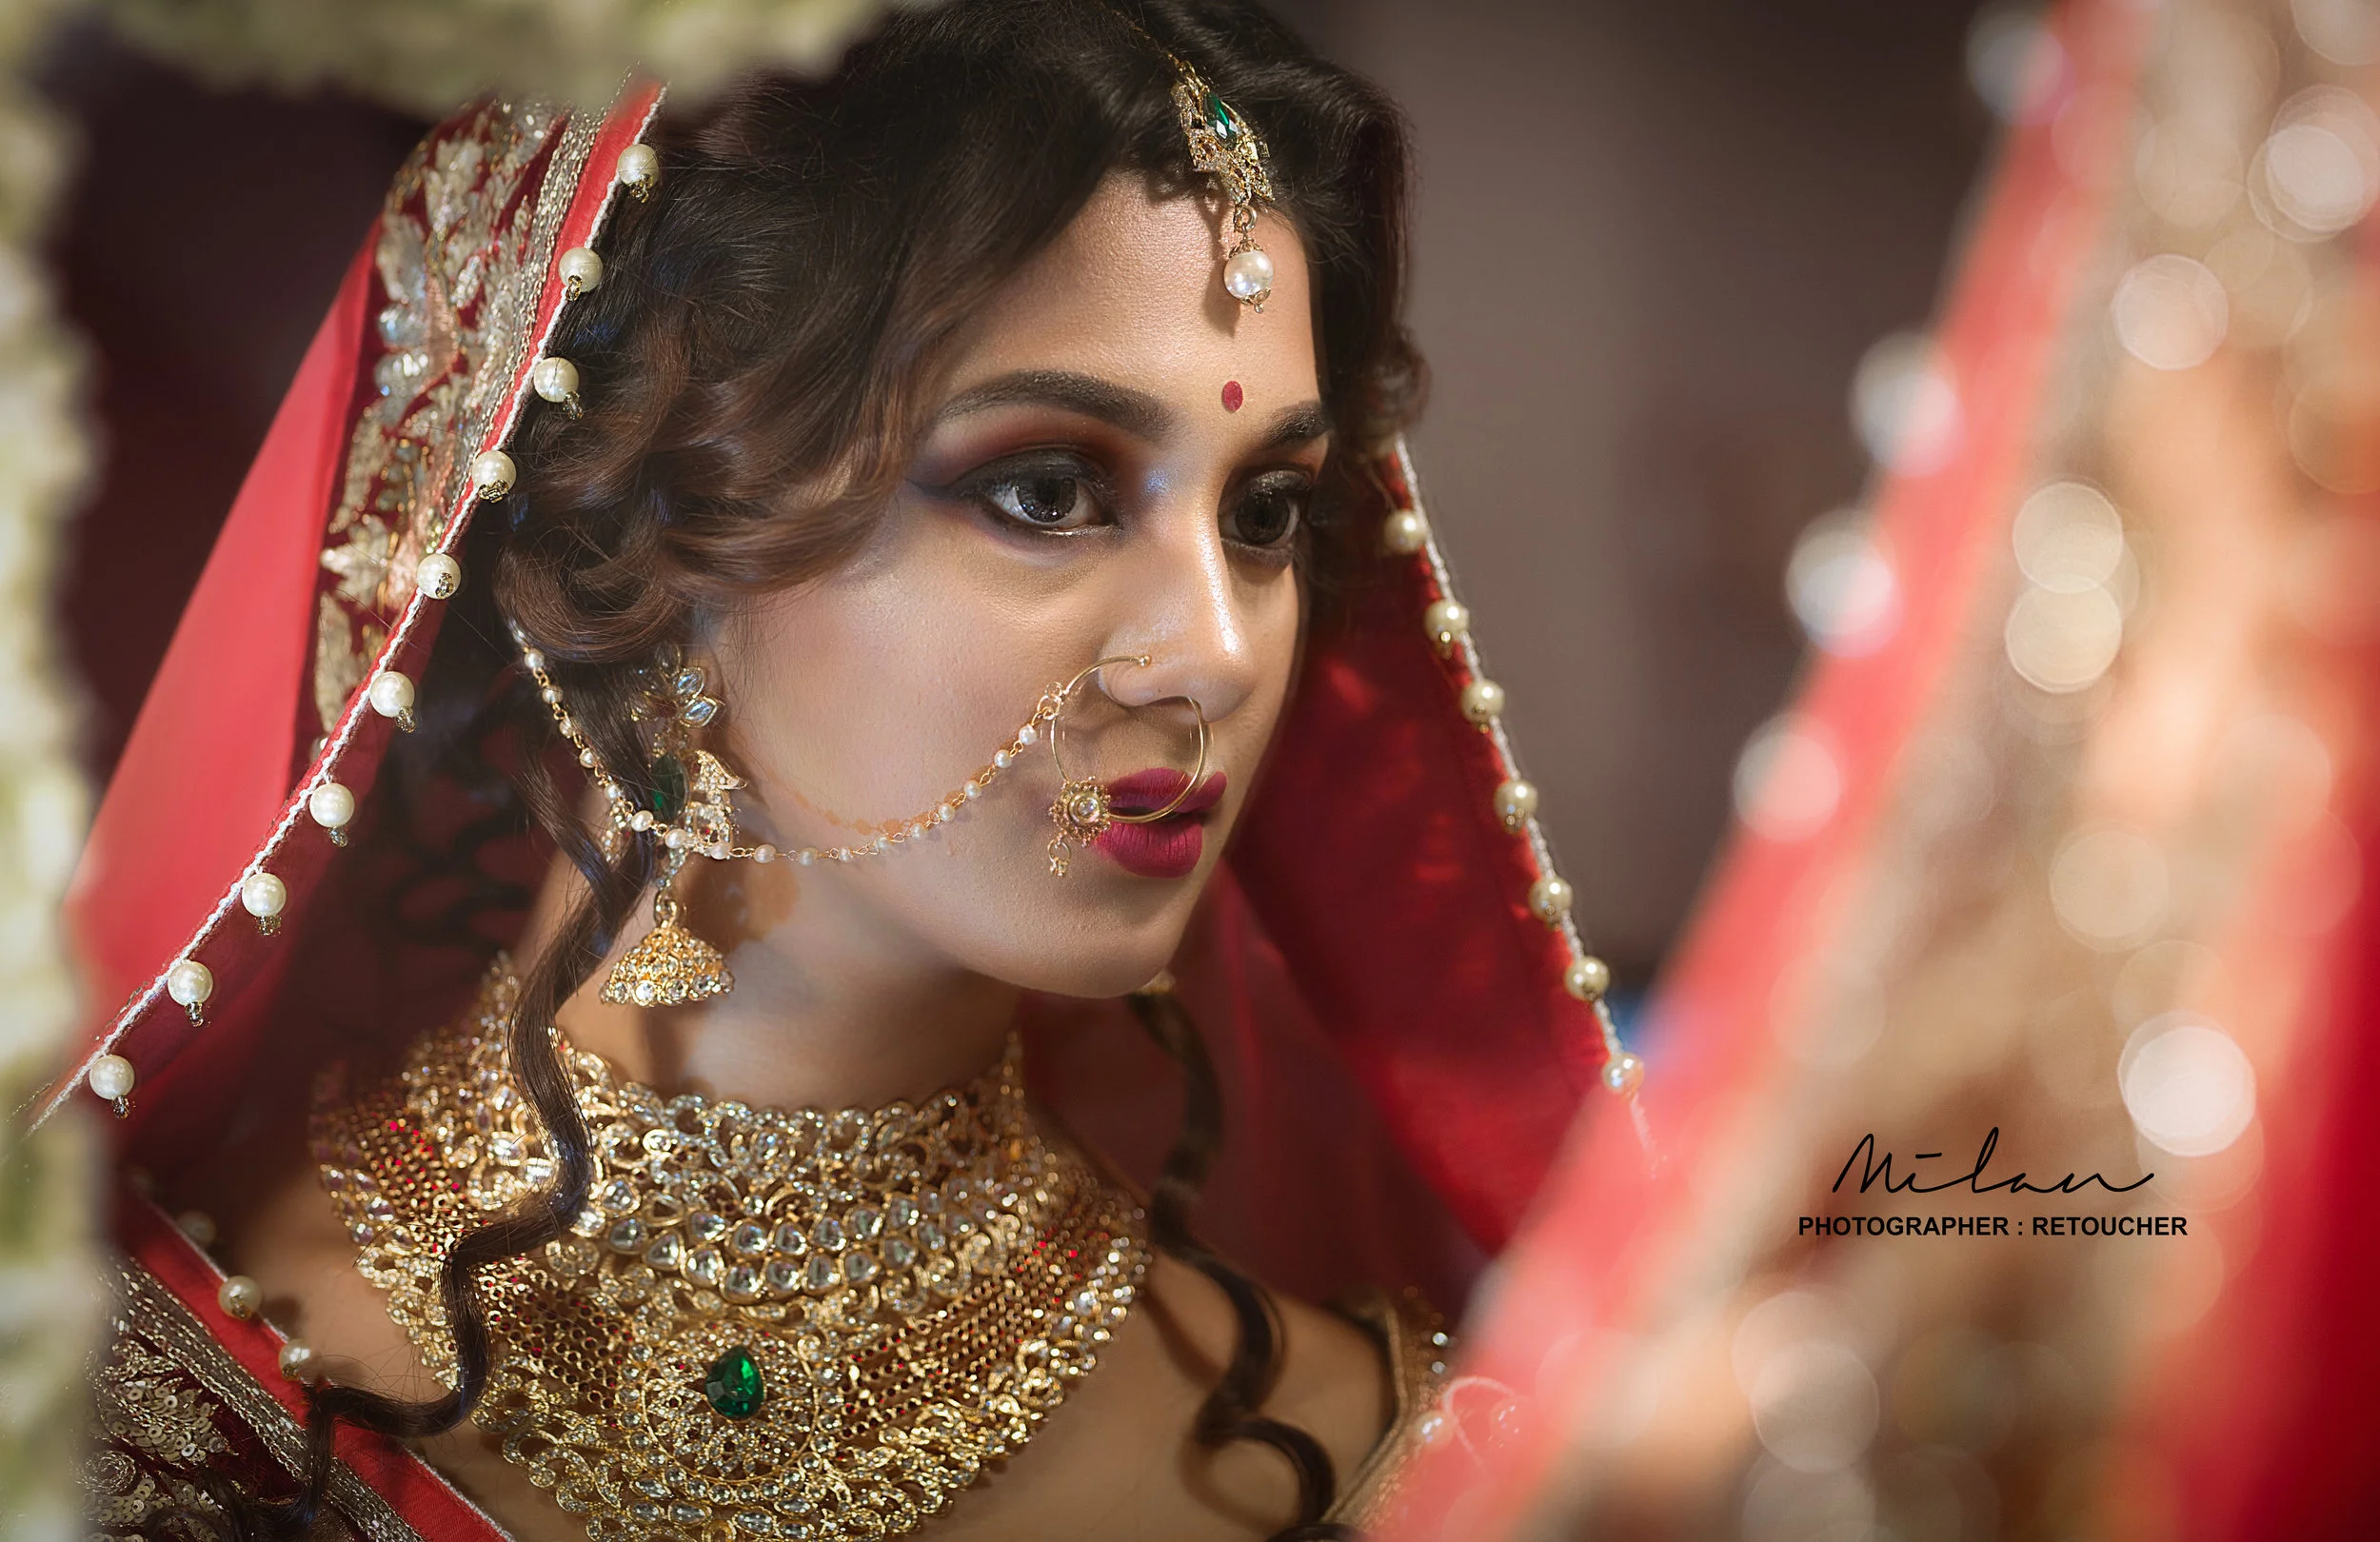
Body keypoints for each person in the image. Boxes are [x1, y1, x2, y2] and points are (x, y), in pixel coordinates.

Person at [48, 3, 1640, 1537]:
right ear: (643, 542)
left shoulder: (1397, 1464)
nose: (1217, 652)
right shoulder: (132, 1421)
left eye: (1265, 510)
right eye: (1046, 489)